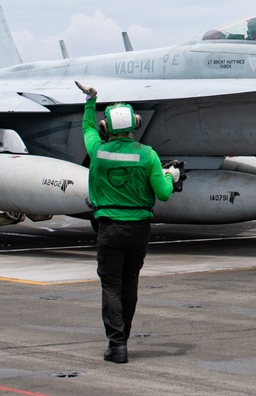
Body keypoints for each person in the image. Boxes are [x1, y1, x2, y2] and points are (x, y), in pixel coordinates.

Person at [75, 81, 179, 364]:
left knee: (110, 286)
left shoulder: (97, 151)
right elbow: (164, 194)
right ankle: (123, 340)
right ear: (135, 123)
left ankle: (116, 344)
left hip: (109, 228)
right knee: (129, 283)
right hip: (138, 230)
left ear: (106, 128)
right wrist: (171, 175)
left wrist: (90, 101)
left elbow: (86, 128)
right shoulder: (148, 155)